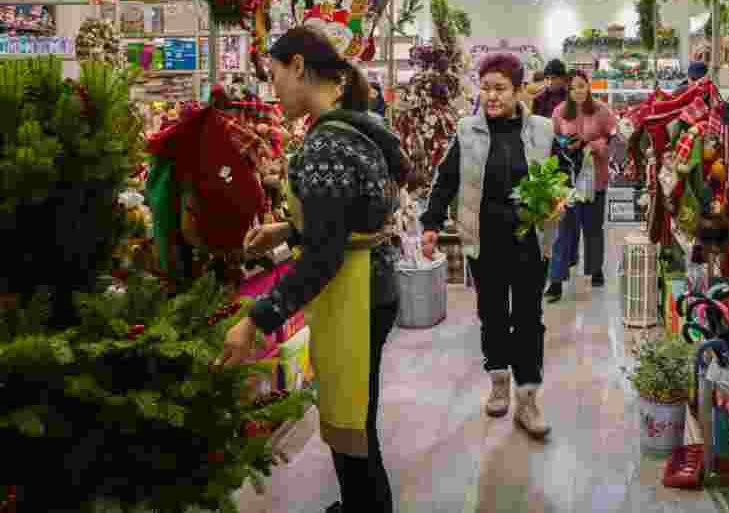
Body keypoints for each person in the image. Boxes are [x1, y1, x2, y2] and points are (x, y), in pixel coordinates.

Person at [216, 26, 411, 513]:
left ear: (299, 66)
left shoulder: (327, 144)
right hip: (373, 286)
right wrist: (287, 230)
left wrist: (257, 320)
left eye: (276, 74)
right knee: (356, 416)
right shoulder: (358, 127)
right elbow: (350, 219)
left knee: (351, 419)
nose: (274, 88)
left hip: (356, 292)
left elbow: (325, 257)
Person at [420, 53, 567, 439]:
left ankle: (528, 398)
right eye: (485, 88)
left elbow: (566, 170)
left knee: (529, 320)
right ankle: (499, 383)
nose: (491, 96)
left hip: (529, 242)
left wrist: (560, 195)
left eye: (499, 88)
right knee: (493, 315)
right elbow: (446, 178)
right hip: (484, 242)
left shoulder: (541, 129)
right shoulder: (467, 130)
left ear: (518, 91)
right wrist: (431, 222)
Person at [545, 70, 618, 302]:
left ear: (588, 87)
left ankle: (596, 269)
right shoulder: (559, 112)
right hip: (567, 182)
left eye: (582, 86)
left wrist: (591, 144)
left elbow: (614, 141)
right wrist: (563, 148)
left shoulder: (601, 111)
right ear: (568, 89)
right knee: (562, 230)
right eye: (574, 87)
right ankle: (556, 281)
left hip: (595, 179)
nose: (578, 91)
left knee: (593, 227)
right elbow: (552, 141)